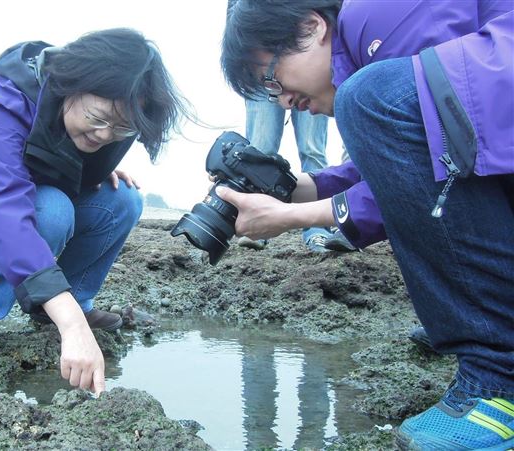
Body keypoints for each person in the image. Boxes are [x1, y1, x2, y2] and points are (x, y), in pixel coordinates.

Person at [220, 1, 513, 449]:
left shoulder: (381, 15)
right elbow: (410, 156)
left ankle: (500, 379)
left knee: (368, 97)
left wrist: (292, 218)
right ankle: (482, 325)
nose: (283, 101)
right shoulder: (368, 46)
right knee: (373, 100)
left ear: (313, 27)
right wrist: (296, 187)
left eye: (272, 79)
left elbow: (442, 155)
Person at [0, 28, 187, 395]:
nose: (104, 135)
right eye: (98, 118)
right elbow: (5, 205)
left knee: (122, 200)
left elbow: (57, 172)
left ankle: (64, 304)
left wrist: (93, 173)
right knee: (49, 209)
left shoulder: (102, 128)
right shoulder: (4, 101)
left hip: (24, 209)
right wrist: (73, 327)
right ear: (70, 85)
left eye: (121, 128)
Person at [226, 0, 335, 254]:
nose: (286, 103)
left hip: (295, 53)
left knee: (312, 148)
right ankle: (257, 222)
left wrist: (290, 214)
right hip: (262, 62)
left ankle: (317, 228)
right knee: (258, 152)